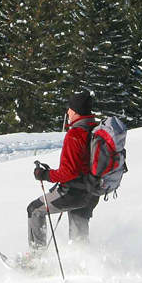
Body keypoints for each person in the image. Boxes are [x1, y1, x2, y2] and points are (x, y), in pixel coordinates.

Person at [27, 91, 100, 253]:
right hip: (92, 192)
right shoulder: (95, 131)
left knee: (34, 210)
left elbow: (69, 172)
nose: (68, 112)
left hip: (73, 192)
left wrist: (45, 175)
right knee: (78, 229)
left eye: (70, 109)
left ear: (76, 111)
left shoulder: (75, 134)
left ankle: (35, 260)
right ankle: (83, 263)